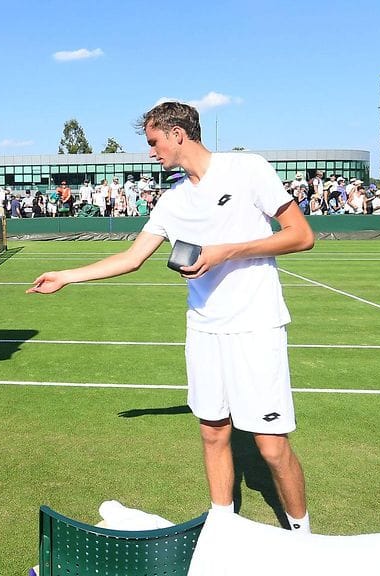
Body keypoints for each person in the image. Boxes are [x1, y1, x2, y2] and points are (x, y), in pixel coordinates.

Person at [28, 101, 315, 533]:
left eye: (153, 142)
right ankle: (222, 529)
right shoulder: (170, 201)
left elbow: (301, 235)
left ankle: (302, 536)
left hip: (255, 326)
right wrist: (66, 276)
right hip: (203, 329)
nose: (151, 152)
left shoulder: (248, 169)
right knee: (213, 432)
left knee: (271, 446)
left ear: (177, 134)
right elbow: (132, 257)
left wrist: (224, 252)